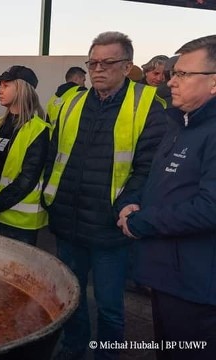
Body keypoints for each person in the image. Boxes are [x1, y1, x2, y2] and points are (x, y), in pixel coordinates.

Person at [41, 31, 167, 360]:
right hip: (68, 222)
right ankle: (73, 347)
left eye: (107, 62)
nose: (97, 69)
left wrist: (125, 206)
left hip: (110, 229)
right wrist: (48, 199)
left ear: (127, 67)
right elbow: (55, 154)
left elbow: (147, 167)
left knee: (110, 306)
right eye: (92, 62)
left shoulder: (147, 105)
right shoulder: (72, 102)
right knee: (72, 299)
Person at [117, 35, 216, 360]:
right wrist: (136, 202)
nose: (172, 81)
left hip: (197, 287)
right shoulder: (180, 124)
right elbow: (161, 183)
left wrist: (142, 222)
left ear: (214, 84)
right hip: (168, 277)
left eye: (183, 74)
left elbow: (209, 208)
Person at [0, 65, 49, 245]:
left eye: (5, 86)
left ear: (22, 89)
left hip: (20, 224)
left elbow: (27, 178)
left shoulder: (39, 129)